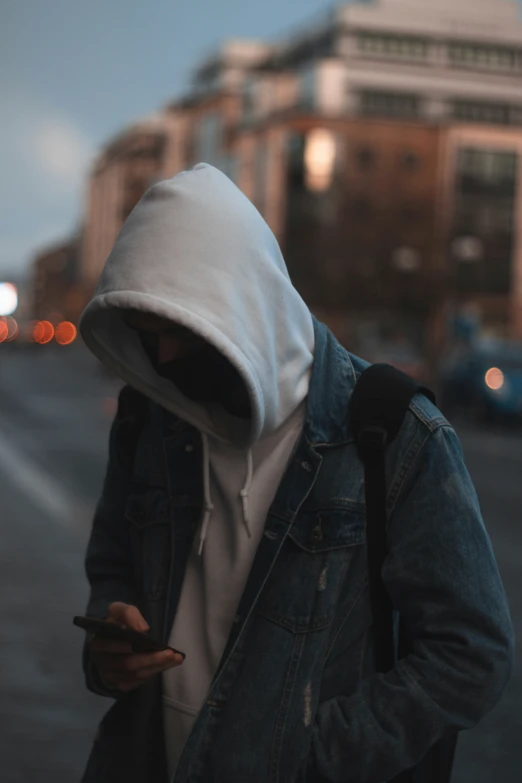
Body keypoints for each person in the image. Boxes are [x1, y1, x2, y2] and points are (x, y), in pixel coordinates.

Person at [79, 163, 514, 783]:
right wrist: (109, 644)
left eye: (180, 332)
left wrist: (317, 756)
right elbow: (113, 563)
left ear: (242, 308)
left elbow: (470, 652)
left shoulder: (393, 433)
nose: (165, 359)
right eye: (148, 337)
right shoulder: (149, 419)